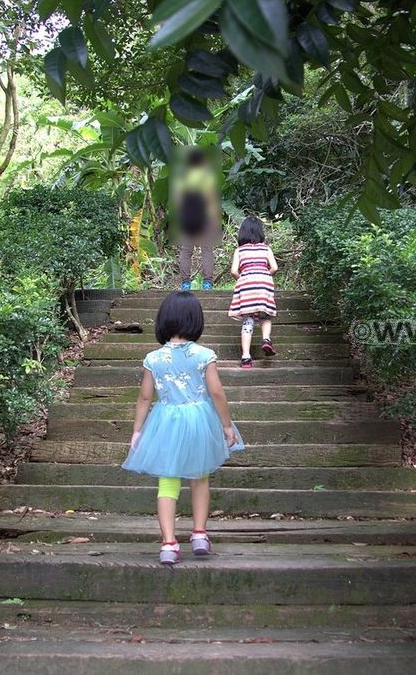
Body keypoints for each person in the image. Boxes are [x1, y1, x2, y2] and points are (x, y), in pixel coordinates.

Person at [123, 291, 243, 565]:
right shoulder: (204, 355)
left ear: (163, 320)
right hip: (199, 420)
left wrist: (137, 430)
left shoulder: (153, 358)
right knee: (199, 477)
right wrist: (226, 426)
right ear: (195, 321)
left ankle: (168, 544)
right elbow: (217, 394)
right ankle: (199, 535)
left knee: (167, 481)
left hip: (166, 421)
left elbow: (144, 397)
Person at [227, 215, 278, 369]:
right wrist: (264, 275)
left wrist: (242, 278)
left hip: (246, 283)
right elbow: (275, 267)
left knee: (248, 320)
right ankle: (266, 339)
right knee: (265, 315)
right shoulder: (266, 248)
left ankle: (246, 358)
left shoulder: (239, 251)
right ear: (260, 232)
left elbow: (233, 271)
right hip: (264, 282)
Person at [174, 147, 221, 291]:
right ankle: (207, 284)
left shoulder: (182, 177)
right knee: (206, 250)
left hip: (187, 217)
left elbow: (178, 201)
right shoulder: (206, 177)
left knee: (186, 250)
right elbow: (211, 199)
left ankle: (185, 283)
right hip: (204, 217)